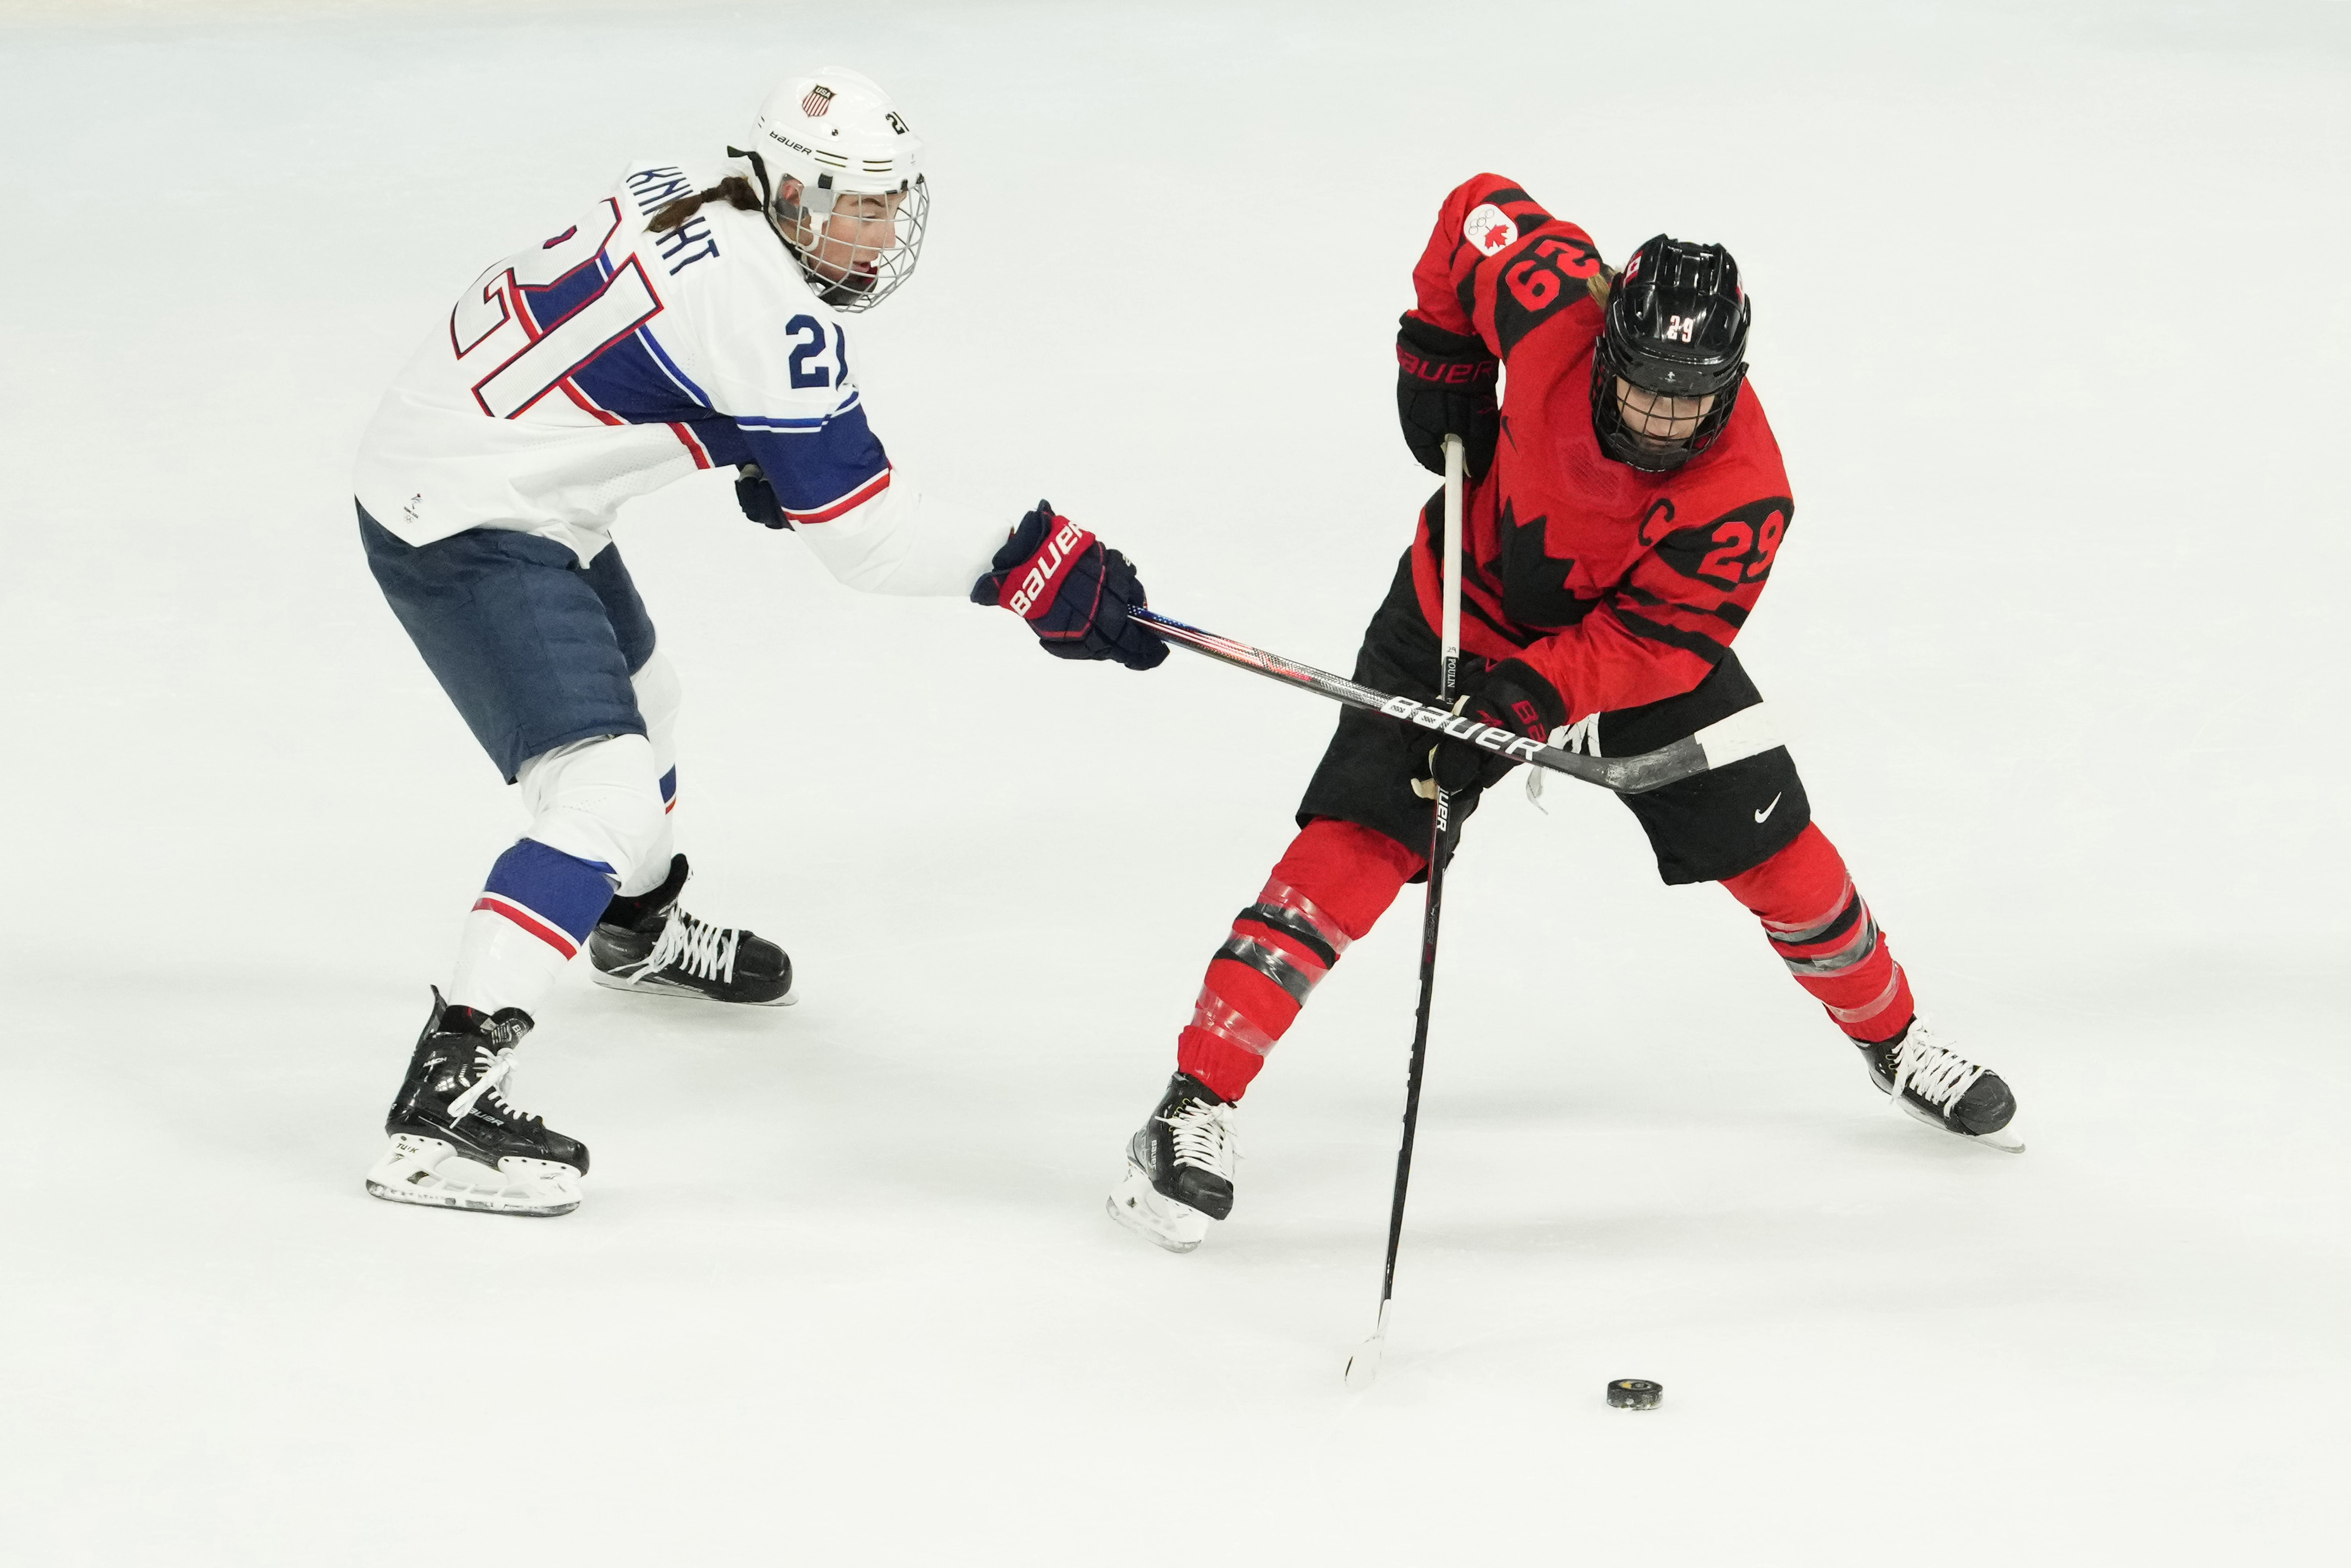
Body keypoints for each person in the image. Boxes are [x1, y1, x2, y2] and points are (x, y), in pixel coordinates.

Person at [1105, 174, 2020, 1254]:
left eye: (1692, 398)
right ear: (1605, 351)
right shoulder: (1550, 300)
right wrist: (1435, 348)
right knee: (1357, 846)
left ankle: (1894, 1039)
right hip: (1462, 601)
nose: (1663, 421)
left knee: (1780, 856)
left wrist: (1533, 695)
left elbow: (1656, 642)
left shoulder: (1745, 495)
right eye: (1644, 391)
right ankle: (1192, 1104)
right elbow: (1473, 208)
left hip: (1616, 659)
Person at [354, 67, 1164, 1218]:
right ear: (789, 191)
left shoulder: (699, 191)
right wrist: (1033, 562)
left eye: (892, 203)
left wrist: (750, 449)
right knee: (603, 798)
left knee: (652, 698)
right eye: (858, 206)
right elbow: (867, 542)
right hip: (471, 519)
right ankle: (437, 1109)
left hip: (495, 472)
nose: (882, 234)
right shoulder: (775, 318)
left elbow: (648, 344)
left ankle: (633, 932)